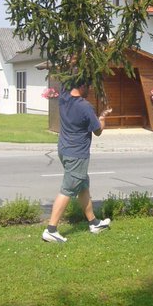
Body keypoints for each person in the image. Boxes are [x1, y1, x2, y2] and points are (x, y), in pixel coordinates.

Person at [42, 76, 112, 243]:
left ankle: (94, 223)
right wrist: (103, 117)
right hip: (77, 154)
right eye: (88, 85)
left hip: (64, 150)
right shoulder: (85, 107)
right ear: (82, 85)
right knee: (68, 189)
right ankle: (51, 229)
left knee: (82, 186)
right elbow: (98, 131)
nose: (90, 89)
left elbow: (68, 81)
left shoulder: (64, 98)